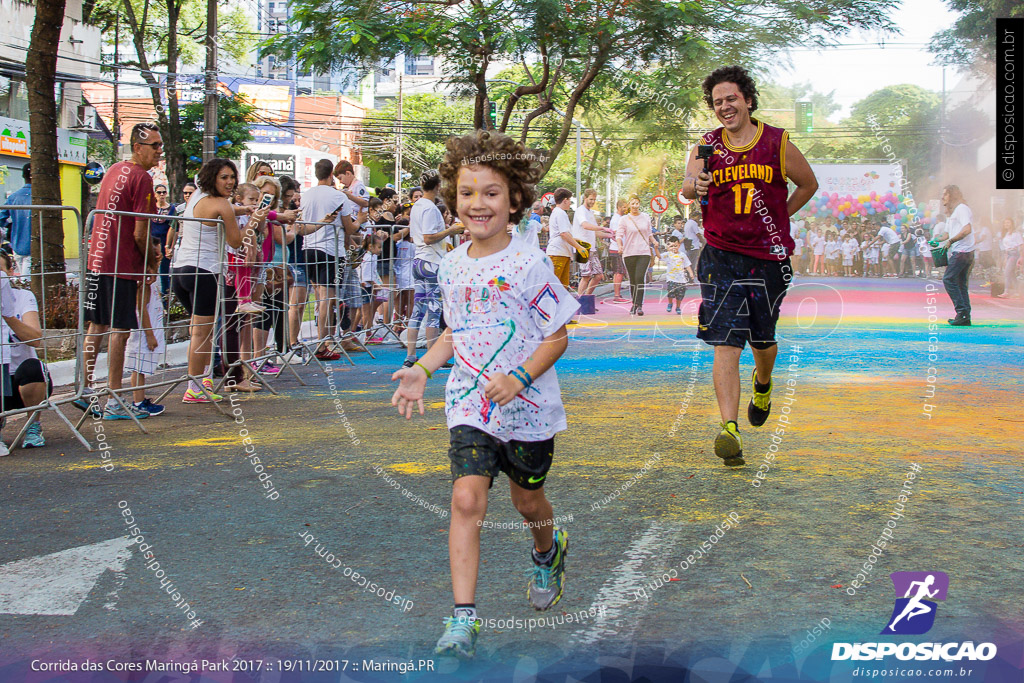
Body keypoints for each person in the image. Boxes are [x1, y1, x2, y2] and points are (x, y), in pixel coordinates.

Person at [390, 129, 577, 660]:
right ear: (454, 199)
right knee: (466, 498)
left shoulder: (529, 263)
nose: (478, 203)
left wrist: (518, 378)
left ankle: (548, 548)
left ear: (514, 199)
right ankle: (463, 618)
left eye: (491, 193)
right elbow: (457, 331)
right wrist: (423, 367)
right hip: (469, 399)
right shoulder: (450, 264)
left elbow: (557, 334)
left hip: (529, 409)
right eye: (468, 193)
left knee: (527, 500)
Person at [682, 65, 818, 467]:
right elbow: (688, 184)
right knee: (726, 340)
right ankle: (729, 429)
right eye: (718, 102)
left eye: (731, 99)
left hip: (768, 257)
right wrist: (695, 185)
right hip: (720, 254)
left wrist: (781, 218)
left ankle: (763, 383)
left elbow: (808, 184)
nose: (725, 106)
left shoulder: (776, 142)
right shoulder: (706, 146)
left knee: (763, 338)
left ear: (748, 100)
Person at [78, 122, 164, 420]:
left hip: (98, 259)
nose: (160, 151)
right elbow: (141, 233)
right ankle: (114, 399)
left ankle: (85, 388)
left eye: (160, 145)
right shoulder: (142, 177)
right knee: (120, 330)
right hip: (121, 263)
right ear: (137, 147)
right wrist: (151, 263)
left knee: (97, 325)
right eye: (154, 145)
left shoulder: (115, 169)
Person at [170, 158, 250, 403]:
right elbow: (236, 242)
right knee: (202, 335)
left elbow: (218, 211)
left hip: (180, 270)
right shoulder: (222, 204)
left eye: (232, 177)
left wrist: (243, 209)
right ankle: (194, 388)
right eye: (224, 177)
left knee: (198, 332)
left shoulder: (196, 197)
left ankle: (202, 379)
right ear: (212, 178)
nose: (230, 182)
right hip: (204, 272)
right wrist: (254, 223)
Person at [298, 159, 362, 360]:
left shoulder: (306, 195)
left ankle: (321, 341)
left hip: (308, 247)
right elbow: (349, 228)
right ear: (331, 175)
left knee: (318, 298)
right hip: (329, 251)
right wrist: (361, 219)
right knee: (327, 299)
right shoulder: (337, 195)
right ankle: (322, 343)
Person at [403, 171, 464, 368]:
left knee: (418, 311)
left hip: (420, 261)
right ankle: (431, 356)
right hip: (431, 263)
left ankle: (411, 356)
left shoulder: (417, 206)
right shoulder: (429, 208)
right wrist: (451, 230)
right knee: (432, 310)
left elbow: (418, 236)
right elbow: (429, 237)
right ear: (437, 186)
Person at [0, 248, 50, 447]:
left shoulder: (23, 297)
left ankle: (33, 425)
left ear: (11, 272)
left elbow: (35, 339)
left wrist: (8, 316)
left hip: (21, 379)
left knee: (32, 366)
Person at [125, 253, 166, 415]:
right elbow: (141, 309)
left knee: (142, 367)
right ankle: (139, 401)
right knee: (139, 368)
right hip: (143, 333)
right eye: (156, 259)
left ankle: (140, 400)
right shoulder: (144, 284)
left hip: (149, 330)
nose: (159, 259)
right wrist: (149, 334)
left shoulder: (152, 281)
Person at [615, 196, 658, 316]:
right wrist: (620, 246)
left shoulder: (645, 217)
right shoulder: (624, 219)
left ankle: (639, 305)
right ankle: (634, 303)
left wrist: (654, 242)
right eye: (632, 203)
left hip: (643, 252)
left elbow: (649, 233)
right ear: (629, 205)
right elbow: (619, 234)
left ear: (639, 204)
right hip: (629, 253)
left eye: (637, 203)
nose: (635, 206)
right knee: (633, 279)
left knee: (640, 277)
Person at [938, 185, 975, 325]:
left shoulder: (961, 209)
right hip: (961, 252)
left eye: (945, 194)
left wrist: (951, 241)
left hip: (963, 252)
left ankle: (962, 312)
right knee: (960, 283)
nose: (942, 197)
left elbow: (967, 229)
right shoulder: (953, 213)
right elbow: (947, 234)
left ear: (952, 195)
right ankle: (964, 315)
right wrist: (935, 240)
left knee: (948, 279)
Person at [571, 189, 611, 296]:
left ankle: (587, 298)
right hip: (581, 247)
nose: (593, 202)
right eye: (591, 199)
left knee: (598, 275)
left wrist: (609, 235)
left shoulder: (590, 213)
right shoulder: (580, 211)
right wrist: (603, 228)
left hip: (592, 248)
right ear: (585, 198)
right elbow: (585, 225)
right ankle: (580, 300)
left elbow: (595, 232)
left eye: (594, 199)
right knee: (586, 275)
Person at [544, 188, 585, 289]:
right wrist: (579, 247)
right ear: (565, 200)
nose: (570, 203)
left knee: (562, 287)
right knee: (554, 286)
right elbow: (564, 234)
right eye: (570, 200)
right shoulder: (560, 213)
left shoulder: (559, 213)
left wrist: (576, 241)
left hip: (562, 253)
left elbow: (565, 234)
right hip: (557, 252)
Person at [0, 165, 32, 278]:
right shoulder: (41, 197)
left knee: (23, 279)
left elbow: (1, 218)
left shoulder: (13, 197)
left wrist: (10, 226)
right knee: (26, 281)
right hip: (34, 247)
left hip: (17, 244)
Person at [660, 236, 695, 313]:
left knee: (680, 294)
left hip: (681, 279)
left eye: (675, 246)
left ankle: (678, 307)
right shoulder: (668, 254)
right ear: (668, 246)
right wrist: (656, 248)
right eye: (671, 246)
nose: (674, 248)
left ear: (679, 245)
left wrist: (691, 273)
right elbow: (659, 256)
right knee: (671, 291)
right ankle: (670, 303)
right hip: (671, 278)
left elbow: (687, 265)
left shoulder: (682, 255)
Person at [607, 200, 630, 302]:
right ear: (619, 207)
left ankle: (618, 294)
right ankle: (616, 295)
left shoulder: (621, 218)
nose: (626, 209)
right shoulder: (617, 219)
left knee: (620, 272)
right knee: (618, 272)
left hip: (620, 248)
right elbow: (616, 234)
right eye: (624, 207)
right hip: (617, 249)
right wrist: (621, 245)